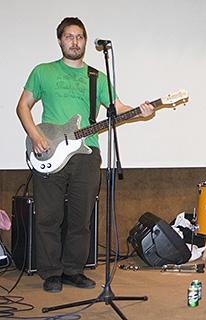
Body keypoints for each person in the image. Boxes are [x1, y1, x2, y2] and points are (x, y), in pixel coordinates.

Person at [16, 17, 154, 292]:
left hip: (87, 152)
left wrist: (141, 111)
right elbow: (23, 107)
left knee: (81, 217)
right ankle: (51, 273)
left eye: (79, 37)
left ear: (85, 41)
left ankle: (73, 270)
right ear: (60, 40)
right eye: (69, 36)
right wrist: (35, 136)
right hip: (50, 152)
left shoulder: (96, 77)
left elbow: (118, 108)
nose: (75, 41)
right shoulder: (43, 72)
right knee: (49, 216)